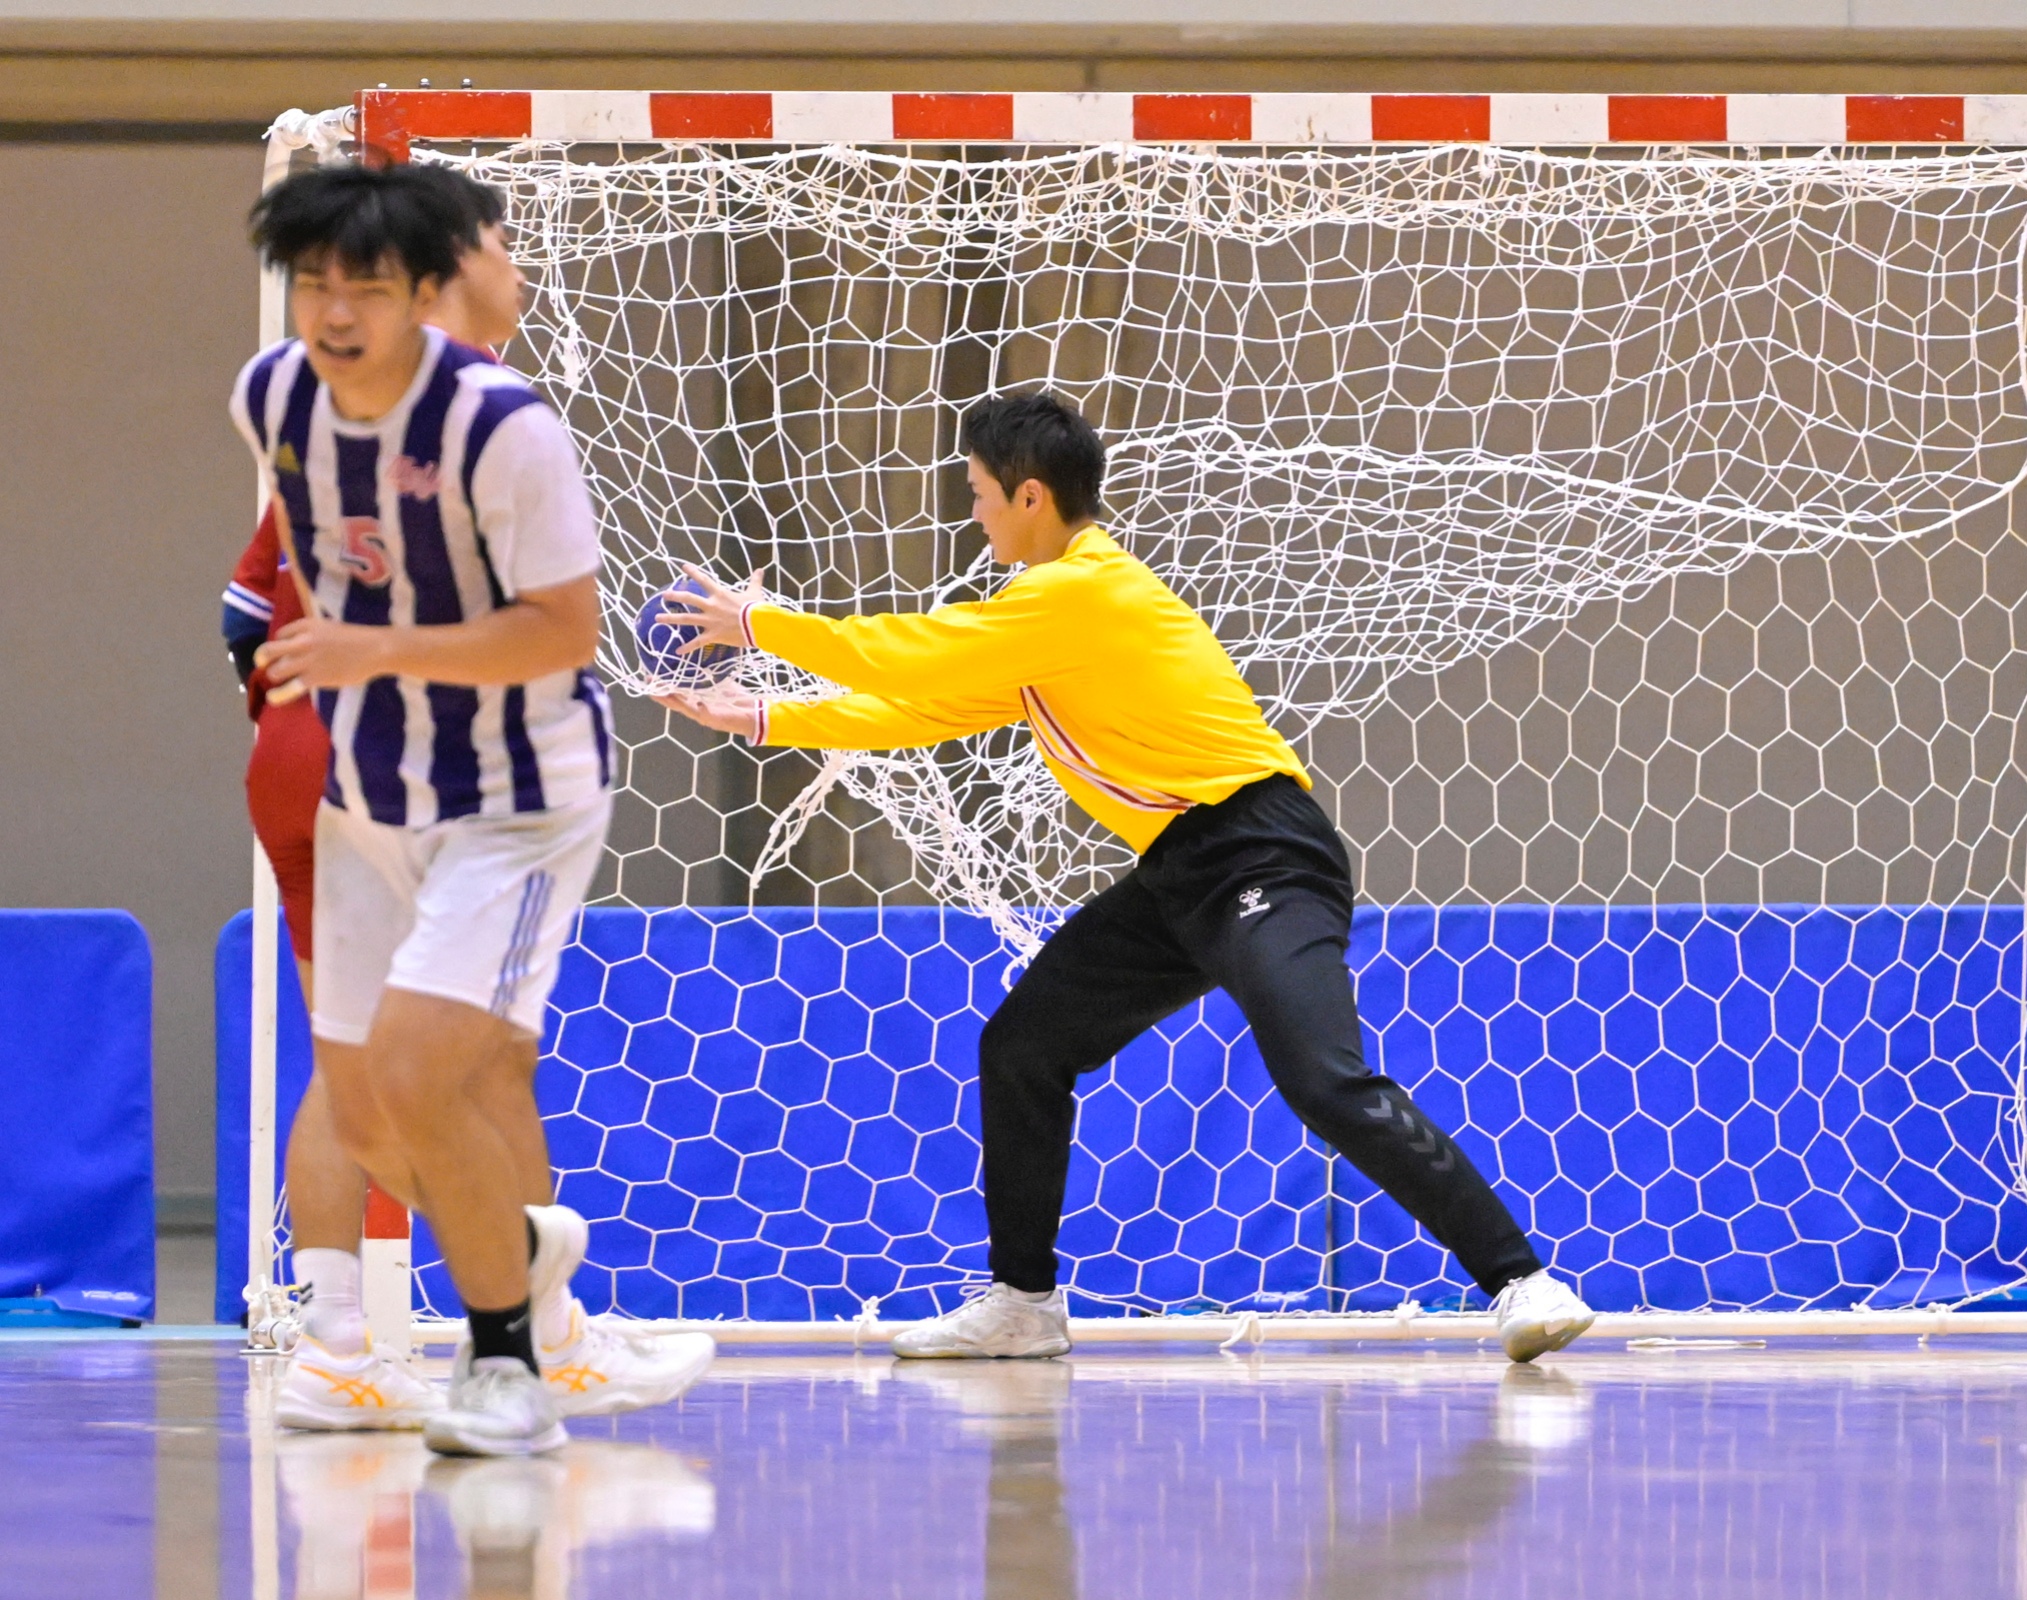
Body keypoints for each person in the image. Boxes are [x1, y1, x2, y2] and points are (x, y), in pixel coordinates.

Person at [653, 391, 1596, 1362]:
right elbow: (925, 708)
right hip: (1179, 872)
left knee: (1322, 1081)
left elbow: (914, 657)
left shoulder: (1080, 593)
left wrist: (758, 622)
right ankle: (1022, 1303)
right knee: (1023, 1046)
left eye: (977, 493)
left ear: (1028, 496)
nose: (972, 512)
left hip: (1260, 852)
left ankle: (1520, 1280)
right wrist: (758, 718)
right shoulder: (1045, 618)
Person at [230, 168, 712, 1436]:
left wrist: (368, 650)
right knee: (376, 1090)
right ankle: (510, 1281)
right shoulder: (274, 398)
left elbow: (564, 632)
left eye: (366, 287)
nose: (335, 312)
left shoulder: (505, 426)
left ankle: (512, 1355)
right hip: (355, 780)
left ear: (425, 292)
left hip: (513, 791)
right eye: (312, 285)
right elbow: (263, 600)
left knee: (432, 1068)